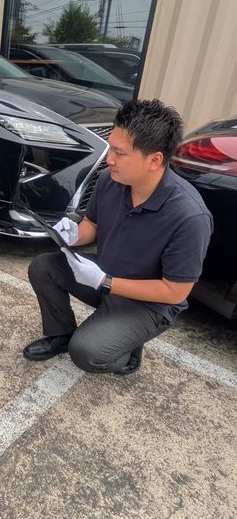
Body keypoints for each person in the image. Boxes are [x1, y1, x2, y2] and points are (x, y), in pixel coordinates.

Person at [23, 99, 213, 375]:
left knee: (87, 353)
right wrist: (73, 234)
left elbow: (175, 291)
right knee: (43, 267)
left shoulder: (189, 217)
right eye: (111, 147)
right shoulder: (110, 180)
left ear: (154, 160)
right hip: (107, 274)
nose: (109, 159)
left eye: (119, 153)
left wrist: (105, 282)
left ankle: (128, 352)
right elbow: (92, 224)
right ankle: (61, 334)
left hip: (148, 304)